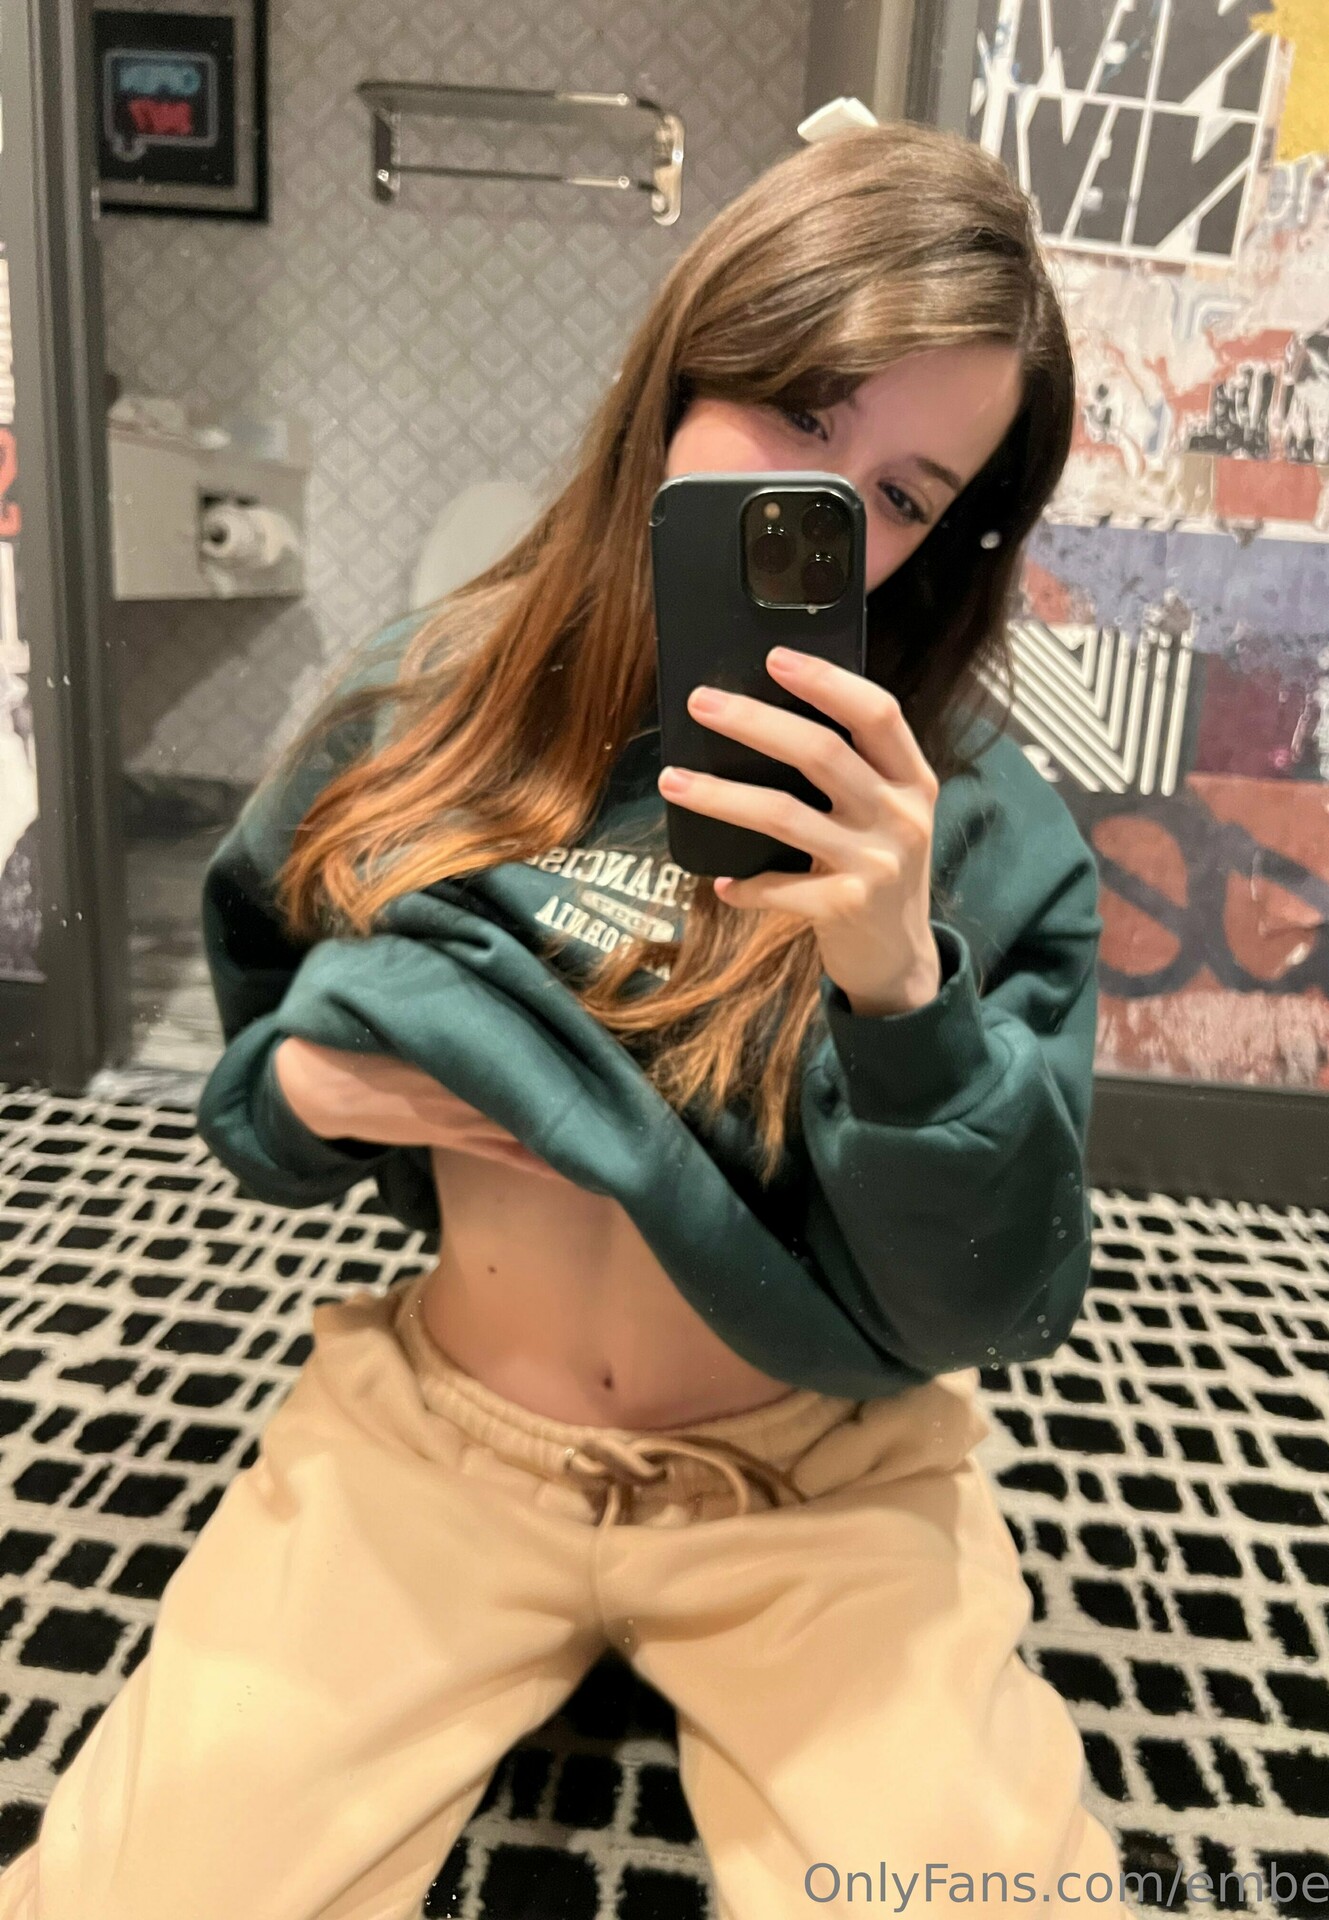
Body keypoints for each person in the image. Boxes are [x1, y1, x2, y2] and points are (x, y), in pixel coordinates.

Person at [0, 123, 1133, 1919]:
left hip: (816, 1476)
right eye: (802, 407)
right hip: (439, 1438)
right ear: (687, 359)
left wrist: (898, 986)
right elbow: (259, 1085)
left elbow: (991, 1298)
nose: (827, 514)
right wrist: (308, 1080)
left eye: (905, 494)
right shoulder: (425, 698)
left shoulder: (977, 832)